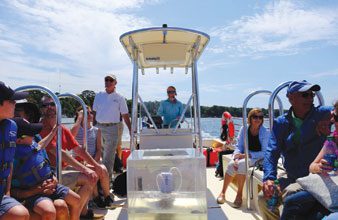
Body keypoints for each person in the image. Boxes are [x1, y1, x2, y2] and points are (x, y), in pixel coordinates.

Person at [258, 80, 332, 220]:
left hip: (315, 178)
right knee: (264, 198)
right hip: (291, 175)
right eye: (305, 95)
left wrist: (332, 122)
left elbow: (336, 111)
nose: (310, 98)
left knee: (291, 194)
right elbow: (272, 152)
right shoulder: (281, 123)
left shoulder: (322, 114)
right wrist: (269, 179)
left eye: (312, 95)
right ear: (291, 97)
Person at [39, 96, 105, 219]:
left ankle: (81, 212)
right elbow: (60, 153)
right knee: (88, 177)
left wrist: (95, 166)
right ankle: (78, 214)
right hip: (51, 173)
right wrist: (85, 169)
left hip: (62, 169)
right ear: (41, 110)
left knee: (94, 173)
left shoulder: (62, 128)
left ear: (57, 106)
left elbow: (78, 149)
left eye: (52, 104)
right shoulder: (41, 128)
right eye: (45, 105)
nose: (49, 107)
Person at [11, 117, 81, 220]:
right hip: (33, 191)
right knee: (49, 211)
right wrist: (38, 190)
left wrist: (54, 178)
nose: (34, 136)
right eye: (31, 134)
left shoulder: (32, 144)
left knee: (76, 200)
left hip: (50, 183)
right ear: (19, 140)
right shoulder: (12, 157)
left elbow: (41, 145)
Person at [217, 108, 269, 208]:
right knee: (232, 164)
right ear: (250, 118)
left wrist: (247, 155)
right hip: (243, 154)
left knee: (241, 164)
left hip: (258, 157)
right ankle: (223, 192)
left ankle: (239, 195)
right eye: (255, 117)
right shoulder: (244, 129)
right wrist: (236, 156)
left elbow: (265, 152)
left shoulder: (265, 132)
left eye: (260, 117)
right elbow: (239, 146)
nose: (258, 119)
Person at [71, 106, 115, 208]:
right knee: (92, 172)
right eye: (86, 113)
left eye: (91, 113)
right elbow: (71, 135)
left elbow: (99, 149)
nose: (90, 115)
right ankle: (96, 197)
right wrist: (80, 118)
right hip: (79, 161)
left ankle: (107, 196)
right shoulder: (76, 128)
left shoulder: (96, 130)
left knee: (103, 169)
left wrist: (93, 162)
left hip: (93, 159)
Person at [92, 74, 131, 180]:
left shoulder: (119, 98)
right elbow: (94, 113)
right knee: (100, 154)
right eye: (106, 80)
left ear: (115, 83)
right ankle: (101, 179)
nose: (108, 82)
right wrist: (92, 127)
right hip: (98, 127)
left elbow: (125, 115)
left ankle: (106, 181)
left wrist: (131, 130)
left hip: (112, 128)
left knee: (108, 157)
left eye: (111, 80)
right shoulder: (99, 95)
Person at [0, 81, 30, 220]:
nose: (15, 104)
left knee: (22, 214)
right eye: (12, 101)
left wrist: (7, 191)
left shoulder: (11, 126)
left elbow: (9, 161)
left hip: (2, 192)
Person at [215, 111, 235, 178]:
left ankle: (218, 170)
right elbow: (231, 136)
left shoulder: (223, 129)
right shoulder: (225, 130)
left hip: (228, 145)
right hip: (228, 146)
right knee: (221, 152)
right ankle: (219, 170)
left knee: (221, 152)